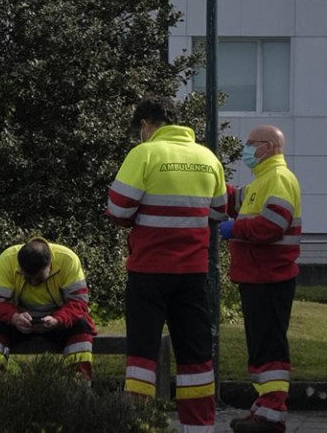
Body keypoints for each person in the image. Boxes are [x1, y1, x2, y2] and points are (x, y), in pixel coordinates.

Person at [106, 94, 227, 433]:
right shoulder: (208, 157)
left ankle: (140, 423)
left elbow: (118, 211)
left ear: (145, 126)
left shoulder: (144, 153)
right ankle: (199, 427)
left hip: (149, 270)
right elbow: (218, 212)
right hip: (192, 273)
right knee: (196, 357)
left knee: (142, 355)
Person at [218, 125, 301, 433]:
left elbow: (273, 225)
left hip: (270, 276)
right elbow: (234, 201)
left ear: (267, 147)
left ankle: (272, 412)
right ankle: (265, 407)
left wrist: (234, 229)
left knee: (269, 346)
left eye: (250, 144)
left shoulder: (278, 179)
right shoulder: (262, 181)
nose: (246, 150)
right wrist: (210, 180)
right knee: (262, 345)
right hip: (258, 276)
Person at [0, 237, 96, 381]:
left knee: (81, 325)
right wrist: (14, 317)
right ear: (19, 266)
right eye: (28, 278)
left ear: (49, 265)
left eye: (39, 278)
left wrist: (58, 320)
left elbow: (79, 302)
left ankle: (79, 386)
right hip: (18, 321)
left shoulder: (68, 259)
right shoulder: (7, 259)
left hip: (59, 321)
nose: (33, 283)